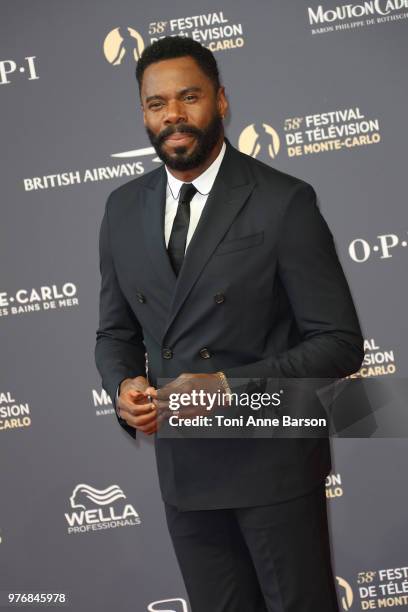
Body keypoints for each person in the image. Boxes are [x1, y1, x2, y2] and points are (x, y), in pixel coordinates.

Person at [95, 36, 364, 612]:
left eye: (188, 98)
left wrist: (225, 387)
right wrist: (123, 386)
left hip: (274, 464)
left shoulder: (282, 201)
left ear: (220, 100)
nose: (173, 116)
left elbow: (339, 344)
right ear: (143, 113)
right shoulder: (121, 209)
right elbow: (115, 333)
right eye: (156, 103)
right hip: (186, 473)